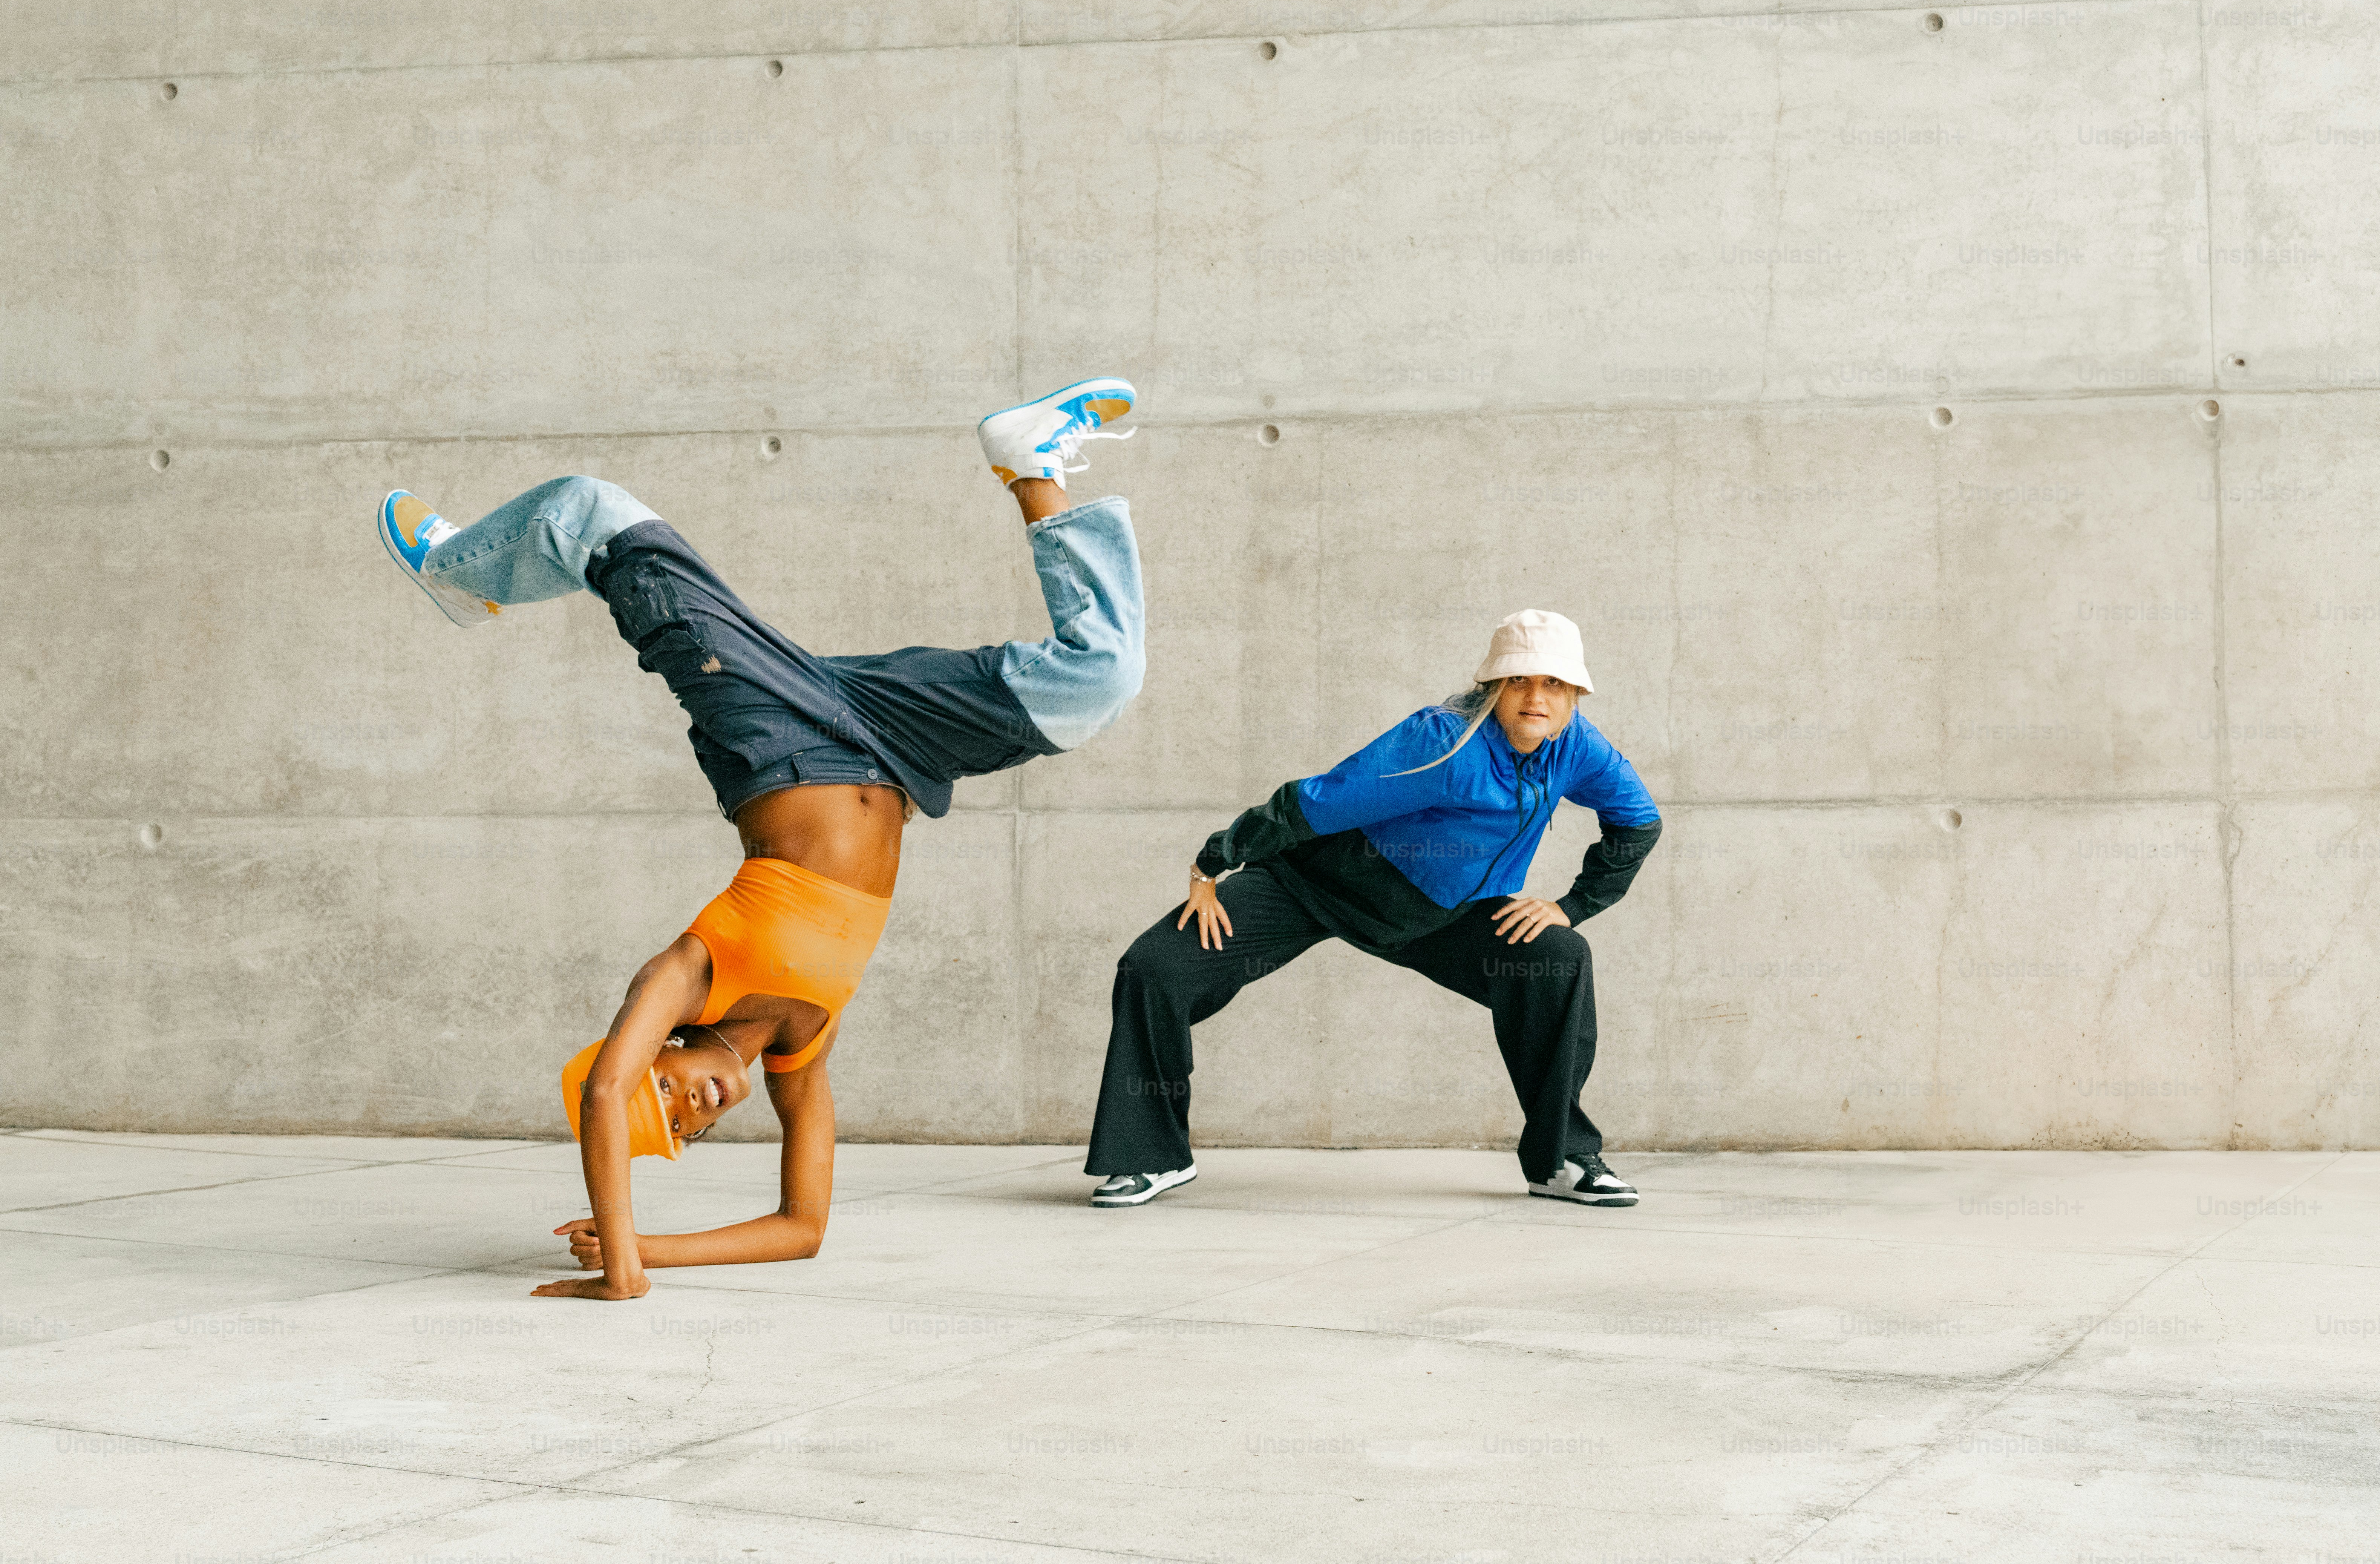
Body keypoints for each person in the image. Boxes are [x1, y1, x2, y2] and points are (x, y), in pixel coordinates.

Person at [375, 379, 1143, 1299]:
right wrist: (653, 1248)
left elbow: (600, 1092)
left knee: (595, 515)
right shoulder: (799, 1054)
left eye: (661, 1096)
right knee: (1101, 677)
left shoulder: (687, 974)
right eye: (689, 1129)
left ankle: (458, 569)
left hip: (776, 732)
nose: (690, 1108)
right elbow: (802, 1229)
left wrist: (620, 1270)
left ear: (654, 1055)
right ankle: (1032, 462)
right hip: (897, 749)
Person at [1084, 609, 1661, 1209]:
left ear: (1574, 695)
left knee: (1559, 957)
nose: (1535, 697)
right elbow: (1317, 800)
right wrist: (1213, 863)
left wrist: (1574, 905)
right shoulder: (1444, 739)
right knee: (1154, 966)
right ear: (1493, 686)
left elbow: (1639, 822)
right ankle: (1149, 1156)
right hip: (1320, 886)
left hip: (1443, 915)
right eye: (1519, 681)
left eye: (1553, 684)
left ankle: (1560, 1159)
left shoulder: (1579, 748)